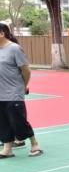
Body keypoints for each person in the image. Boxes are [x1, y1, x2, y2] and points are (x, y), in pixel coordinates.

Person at [0, 23, 42, 159]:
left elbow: (26, 70)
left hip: (14, 93)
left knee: (18, 121)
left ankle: (34, 144)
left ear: (2, 34)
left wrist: (23, 86)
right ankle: (7, 149)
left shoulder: (14, 49)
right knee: (3, 122)